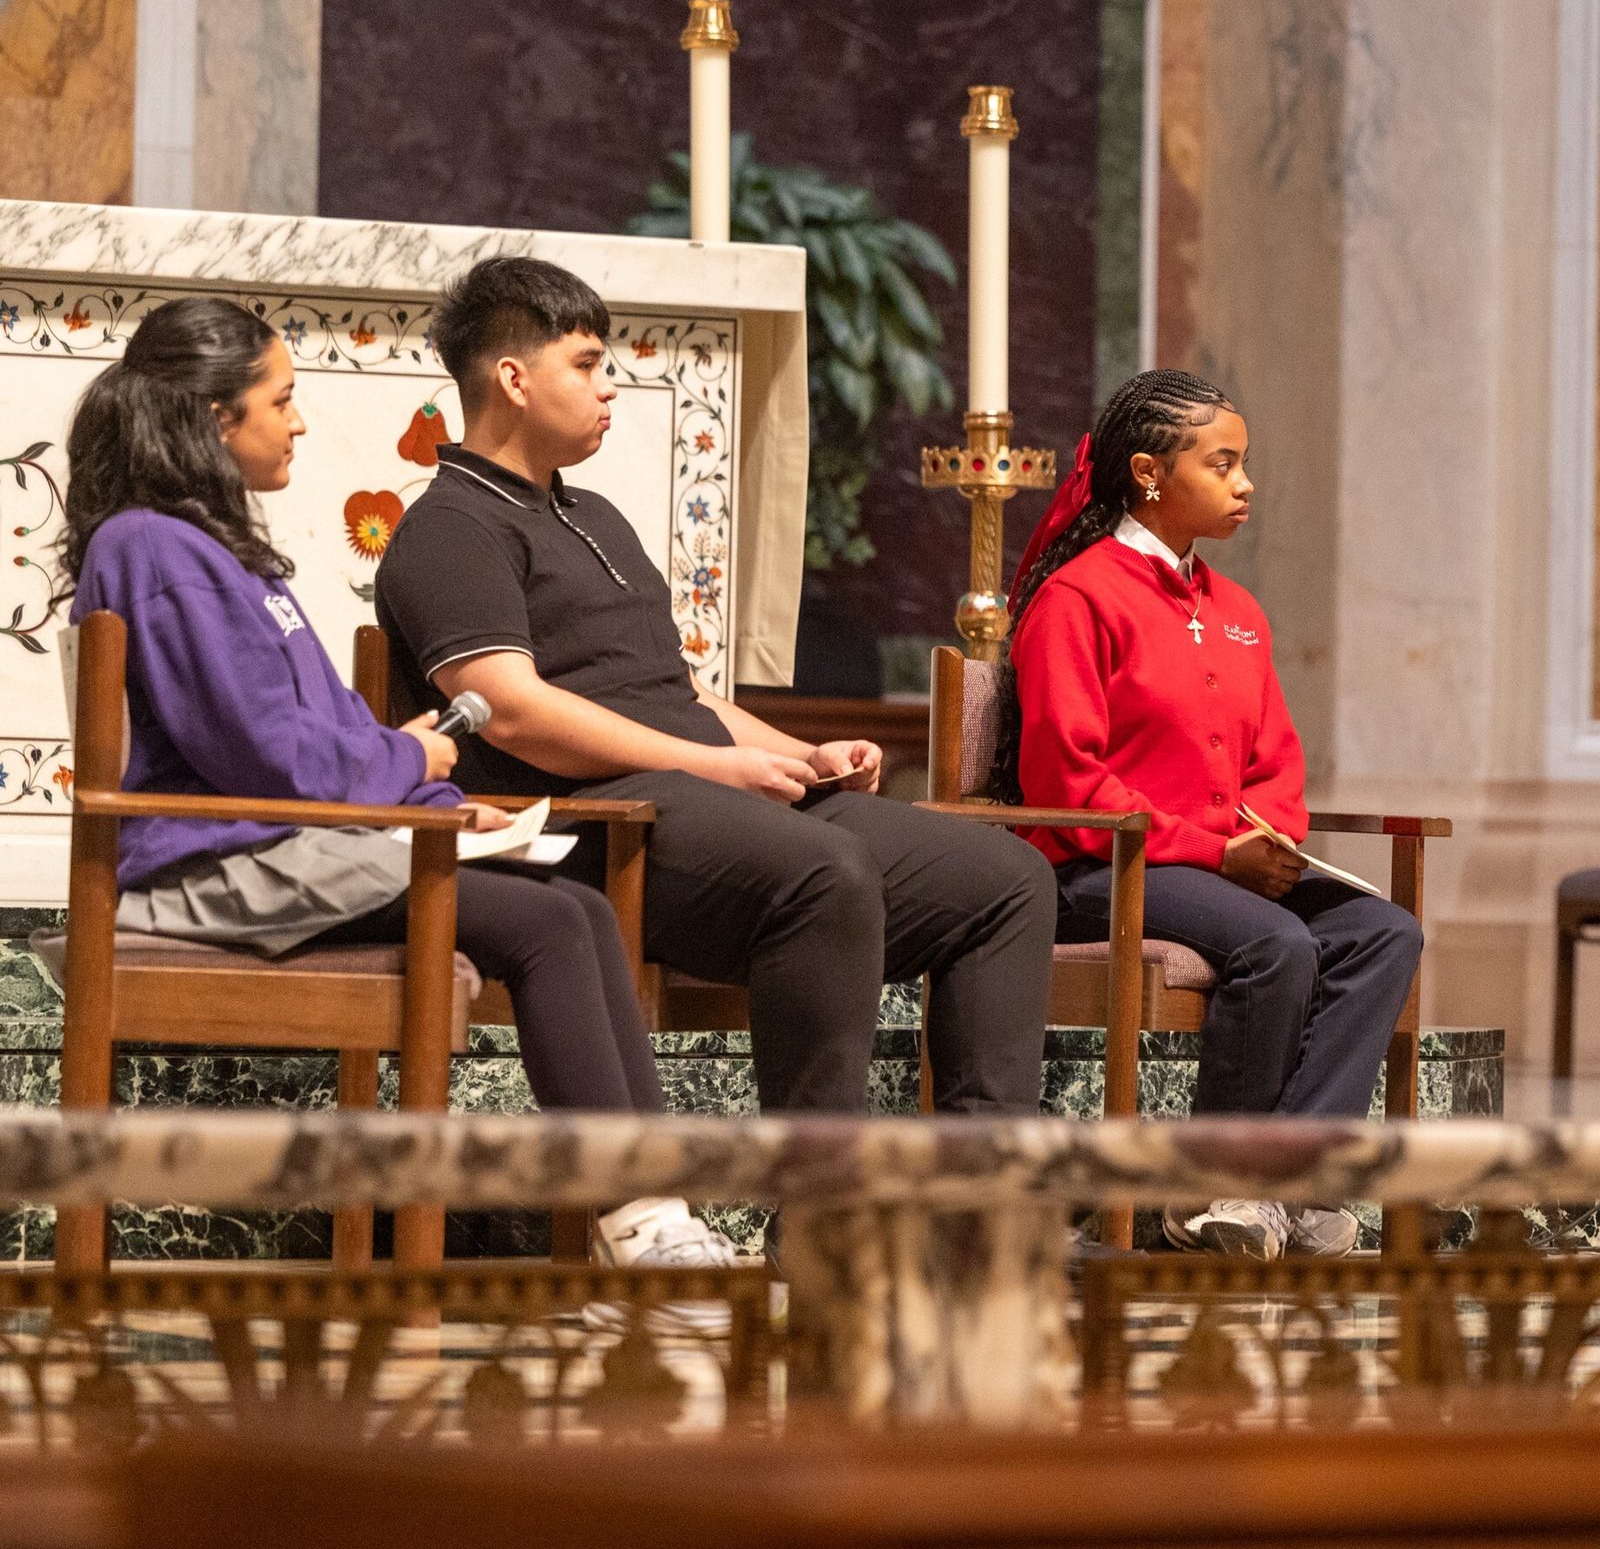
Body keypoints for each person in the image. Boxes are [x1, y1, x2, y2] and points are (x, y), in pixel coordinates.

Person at [58, 296, 731, 1296]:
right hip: (202, 866)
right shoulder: (154, 549)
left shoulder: (209, 547)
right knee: (544, 928)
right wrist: (411, 769)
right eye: (280, 401)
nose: (297, 421)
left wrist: (436, 801)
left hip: (277, 843)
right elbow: (267, 761)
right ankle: (638, 1222)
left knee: (576, 910)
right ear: (211, 418)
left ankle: (647, 1209)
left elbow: (313, 737)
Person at [374, 257, 1057, 1120]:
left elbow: (679, 691)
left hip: (693, 799)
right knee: (827, 874)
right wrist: (712, 767)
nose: (607, 388)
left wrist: (798, 754)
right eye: (585, 365)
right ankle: (820, 1209)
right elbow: (509, 709)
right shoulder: (448, 527)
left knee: (1005, 877)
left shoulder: (595, 517)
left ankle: (983, 1201)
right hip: (592, 826)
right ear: (512, 378)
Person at [992, 369, 1423, 1260]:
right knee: (1278, 944)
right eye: (1223, 464)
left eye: (1246, 464)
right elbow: (1068, 780)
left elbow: (1277, 763)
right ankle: (1211, 1187)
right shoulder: (1079, 597)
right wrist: (1213, 855)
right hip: (1098, 869)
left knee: (1385, 934)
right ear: (1150, 473)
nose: (1245, 483)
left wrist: (1265, 835)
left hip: (1224, 871)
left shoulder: (1238, 612)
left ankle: (1295, 1180)